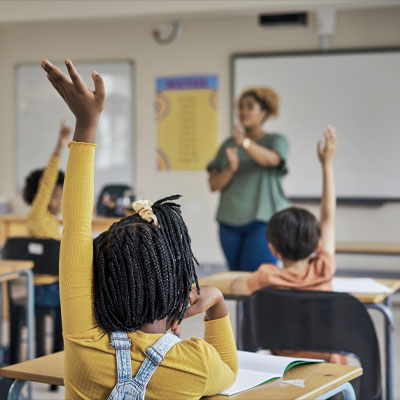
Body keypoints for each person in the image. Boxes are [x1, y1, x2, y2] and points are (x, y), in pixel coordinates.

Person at [42, 59, 238, 399]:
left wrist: (85, 124)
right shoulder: (197, 362)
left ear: (99, 282)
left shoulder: (83, 340)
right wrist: (217, 303)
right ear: (177, 285)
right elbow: (230, 373)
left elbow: (75, 226)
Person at [231, 126, 344, 364]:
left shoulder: (266, 278)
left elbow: (235, 285)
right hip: (332, 374)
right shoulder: (324, 267)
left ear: (272, 248)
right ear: (316, 243)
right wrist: (327, 165)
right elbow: (328, 218)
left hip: (285, 369)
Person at [207, 87, 289, 271]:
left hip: (264, 220)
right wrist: (231, 168)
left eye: (250, 106)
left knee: (258, 277)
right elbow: (214, 184)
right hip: (229, 220)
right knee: (235, 278)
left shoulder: (276, 141)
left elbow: (271, 160)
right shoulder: (228, 144)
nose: (243, 111)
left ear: (264, 113)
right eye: (240, 106)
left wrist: (244, 142)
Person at [23, 121, 71, 306]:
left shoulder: (53, 221)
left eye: (61, 196)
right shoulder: (38, 214)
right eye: (55, 196)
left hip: (55, 284)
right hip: (43, 288)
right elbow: (47, 182)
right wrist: (60, 144)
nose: (59, 201)